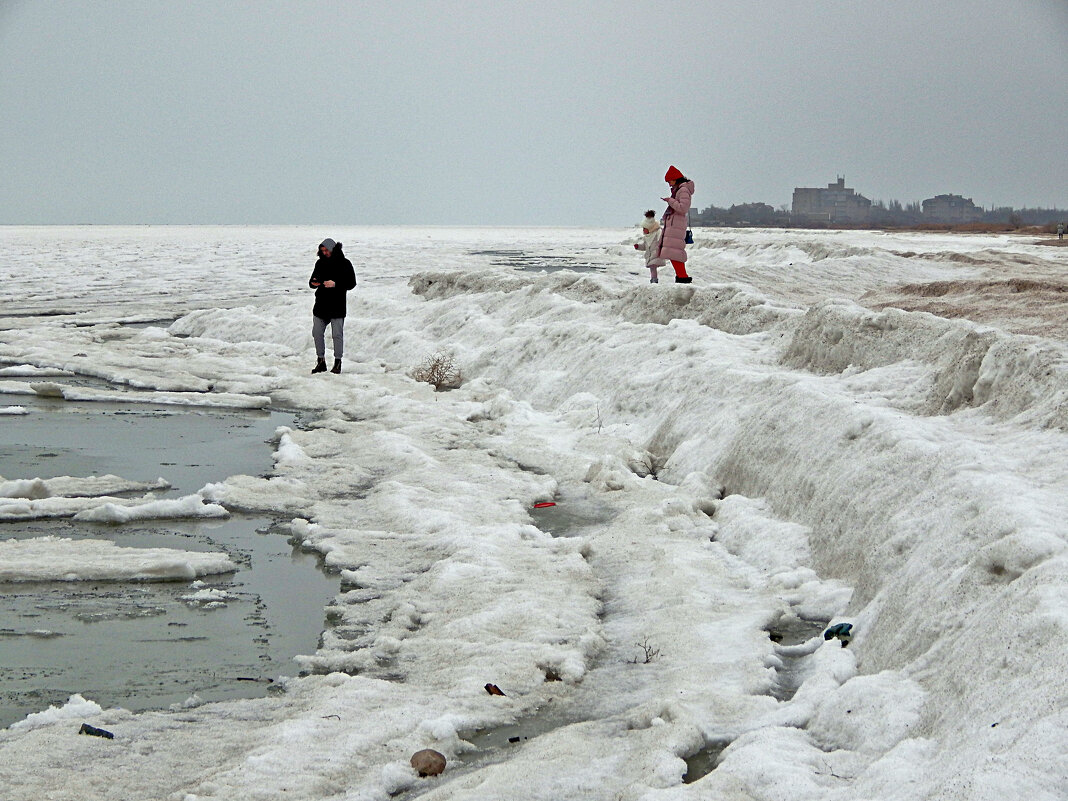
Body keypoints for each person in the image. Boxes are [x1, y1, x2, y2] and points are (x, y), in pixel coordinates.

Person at [308, 238, 357, 374]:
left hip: (337, 305)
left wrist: (335, 284)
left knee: (337, 334)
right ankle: (321, 361)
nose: (325, 253)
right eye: (322, 251)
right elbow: (311, 282)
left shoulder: (345, 264)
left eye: (327, 250)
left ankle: (337, 363)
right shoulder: (320, 263)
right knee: (317, 333)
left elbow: (352, 283)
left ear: (333, 249)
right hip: (321, 305)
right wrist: (314, 283)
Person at [656, 166, 694, 283]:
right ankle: (682, 277)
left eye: (670, 181)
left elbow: (683, 208)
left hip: (676, 226)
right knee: (673, 253)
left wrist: (670, 200)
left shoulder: (683, 190)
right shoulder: (679, 189)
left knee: (674, 253)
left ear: (676, 179)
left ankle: (683, 278)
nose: (669, 185)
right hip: (674, 225)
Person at [633, 210, 666, 282]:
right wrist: (638, 246)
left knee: (653, 267)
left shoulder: (657, 233)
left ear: (650, 228)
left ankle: (654, 280)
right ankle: (653, 279)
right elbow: (645, 246)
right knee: (652, 268)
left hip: (656, 254)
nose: (643, 230)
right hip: (650, 255)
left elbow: (662, 241)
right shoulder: (647, 236)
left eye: (645, 229)